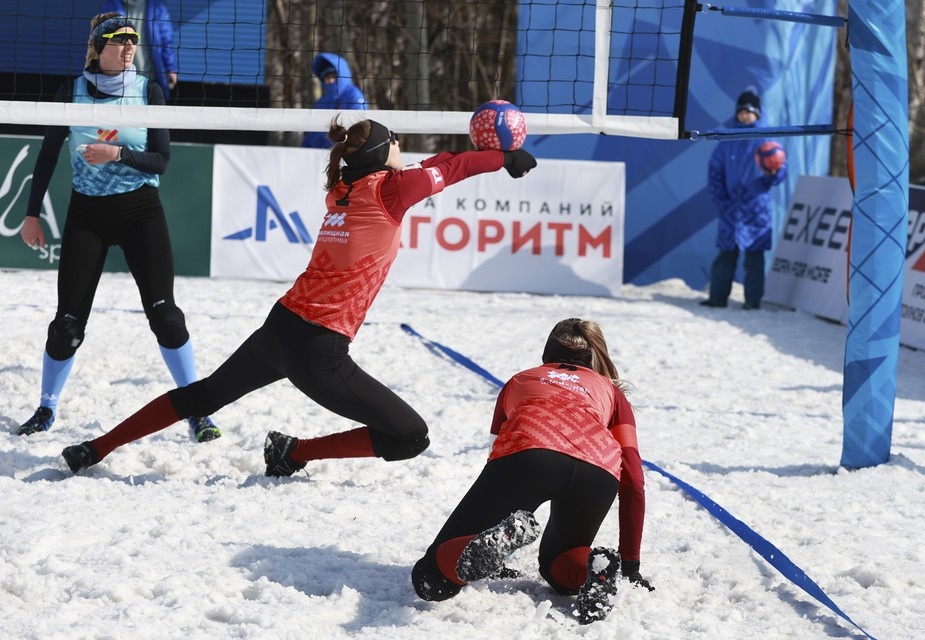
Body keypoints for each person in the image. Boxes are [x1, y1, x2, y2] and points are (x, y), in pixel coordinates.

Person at [60, 116, 538, 476]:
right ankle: (295, 453)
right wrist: (505, 159)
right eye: (395, 141)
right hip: (319, 351)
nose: (402, 147)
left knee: (202, 395)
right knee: (410, 437)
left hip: (281, 327)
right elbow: (449, 168)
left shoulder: (345, 188)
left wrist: (493, 160)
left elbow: (436, 166)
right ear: (381, 153)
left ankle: (96, 448)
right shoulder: (391, 191)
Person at [16, 12, 220, 443]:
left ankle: (197, 410)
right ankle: (46, 407)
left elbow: (162, 159)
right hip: (86, 214)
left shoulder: (148, 90)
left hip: (140, 212)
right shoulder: (69, 92)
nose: (128, 46)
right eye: (118, 39)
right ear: (97, 46)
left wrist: (117, 155)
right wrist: (31, 214)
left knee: (166, 316)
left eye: (132, 39)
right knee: (67, 325)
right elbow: (48, 155)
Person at [411, 318, 653, 625]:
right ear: (595, 356)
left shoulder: (520, 379)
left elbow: (497, 455)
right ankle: (596, 570)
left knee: (431, 578)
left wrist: (487, 531)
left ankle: (494, 543)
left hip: (532, 452)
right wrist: (631, 564)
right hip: (598, 471)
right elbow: (633, 477)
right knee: (561, 566)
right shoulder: (611, 392)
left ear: (546, 354)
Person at [700, 86, 787, 310]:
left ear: (757, 114)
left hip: (756, 209)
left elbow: (781, 172)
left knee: (754, 259)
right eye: (741, 112)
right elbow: (714, 172)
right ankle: (718, 297)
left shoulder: (767, 139)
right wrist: (722, 200)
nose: (744, 115)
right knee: (725, 257)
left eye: (749, 112)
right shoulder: (728, 139)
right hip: (731, 208)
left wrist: (773, 173)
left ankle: (752, 300)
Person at [100, 0, 178, 102]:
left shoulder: (157, 7)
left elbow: (166, 41)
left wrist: (171, 68)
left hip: (151, 76)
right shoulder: (110, 5)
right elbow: (101, 40)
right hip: (120, 79)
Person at [302, 53, 368, 149]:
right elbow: (312, 133)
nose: (331, 80)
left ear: (341, 74)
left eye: (334, 75)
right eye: (327, 77)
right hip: (317, 155)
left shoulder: (353, 95)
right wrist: (305, 149)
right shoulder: (322, 101)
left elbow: (358, 128)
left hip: (344, 153)